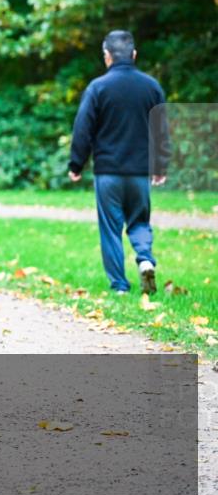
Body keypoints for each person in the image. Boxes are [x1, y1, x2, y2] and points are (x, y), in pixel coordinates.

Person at [68, 30, 170, 296]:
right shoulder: (151, 87)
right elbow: (161, 128)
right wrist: (160, 166)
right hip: (139, 172)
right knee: (139, 221)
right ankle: (145, 258)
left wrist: (76, 164)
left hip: (108, 172)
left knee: (111, 228)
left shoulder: (98, 88)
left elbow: (83, 128)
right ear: (134, 55)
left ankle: (120, 287)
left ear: (107, 56)